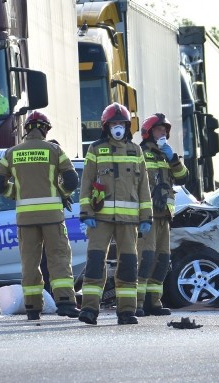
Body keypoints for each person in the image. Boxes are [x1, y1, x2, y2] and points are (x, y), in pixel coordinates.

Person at [0, 111, 82, 320]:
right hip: (52, 217)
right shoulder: (54, 150)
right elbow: (71, 181)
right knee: (58, 259)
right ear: (44, 129)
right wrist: (61, 194)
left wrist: (16, 193)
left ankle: (32, 307)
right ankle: (66, 303)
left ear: (27, 130)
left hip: (26, 219)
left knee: (30, 262)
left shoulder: (12, 153)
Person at [77, 103, 152, 325]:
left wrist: (146, 217)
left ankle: (127, 311)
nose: (117, 127)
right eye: (113, 124)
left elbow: (143, 188)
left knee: (128, 265)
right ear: (105, 126)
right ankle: (89, 310)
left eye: (121, 124)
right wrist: (86, 211)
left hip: (129, 221)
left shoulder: (136, 151)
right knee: (94, 263)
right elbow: (86, 183)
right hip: (99, 219)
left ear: (127, 126)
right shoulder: (95, 149)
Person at [135, 113, 188, 317]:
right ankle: (138, 304)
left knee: (162, 260)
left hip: (164, 216)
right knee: (145, 259)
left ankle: (154, 302)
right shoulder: (139, 152)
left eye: (165, 130)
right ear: (149, 132)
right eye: (159, 129)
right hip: (146, 216)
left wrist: (173, 158)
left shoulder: (168, 155)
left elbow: (183, 178)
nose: (164, 132)